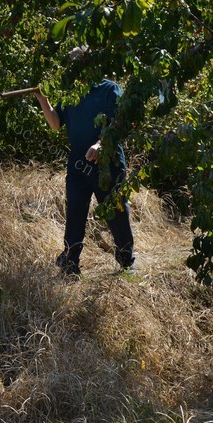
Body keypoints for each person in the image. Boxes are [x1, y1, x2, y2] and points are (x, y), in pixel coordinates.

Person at [33, 70, 135, 276]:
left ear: (89, 64)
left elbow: (119, 123)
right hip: (78, 164)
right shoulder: (71, 92)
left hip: (109, 164)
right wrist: (43, 99)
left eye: (76, 65)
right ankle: (71, 265)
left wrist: (100, 145)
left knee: (116, 212)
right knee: (75, 212)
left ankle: (126, 263)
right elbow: (55, 123)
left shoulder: (109, 89)